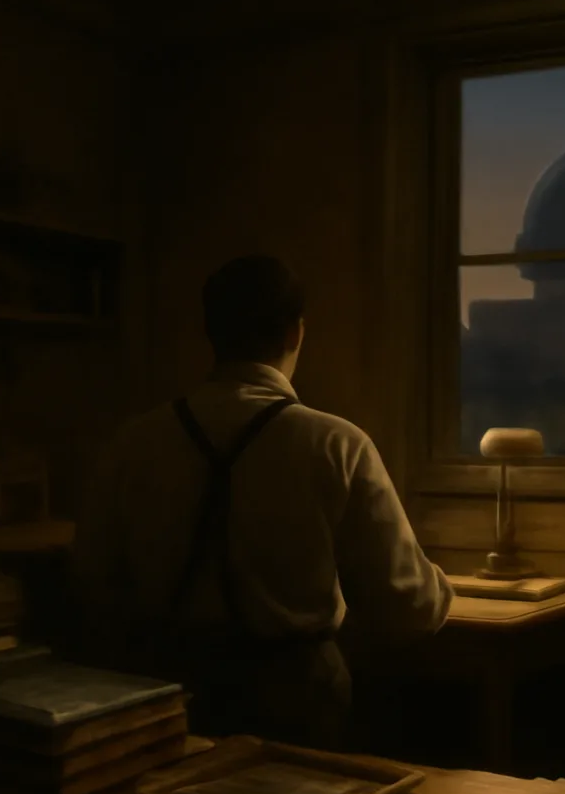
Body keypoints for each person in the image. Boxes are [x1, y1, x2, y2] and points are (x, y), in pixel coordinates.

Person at [72, 255, 453, 749]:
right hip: (293, 703)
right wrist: (441, 586)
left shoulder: (133, 443)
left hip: (166, 699)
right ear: (296, 332)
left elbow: (94, 586)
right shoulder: (336, 444)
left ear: (210, 332)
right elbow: (407, 609)